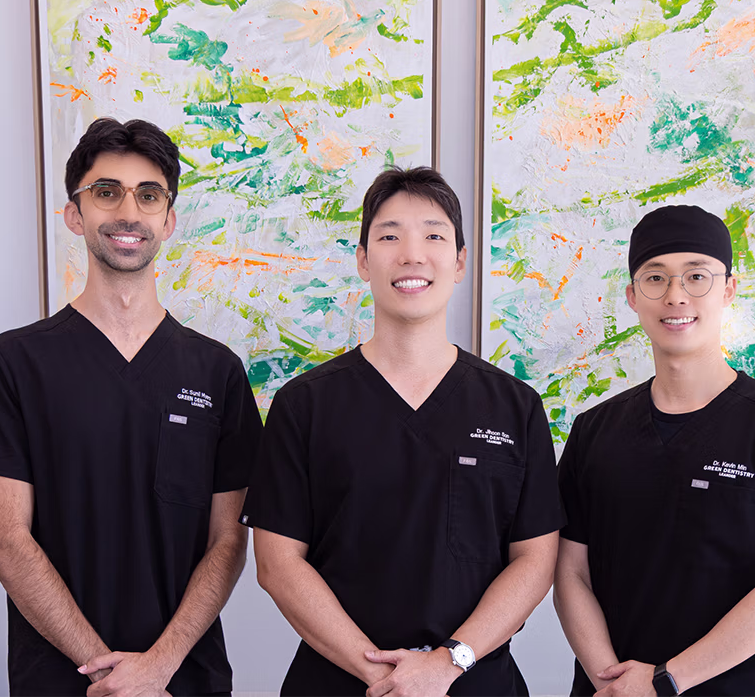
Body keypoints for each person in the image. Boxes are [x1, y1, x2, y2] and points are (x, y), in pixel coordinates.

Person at [0, 118, 259, 697]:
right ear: (75, 213)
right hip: (63, 681)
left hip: (184, 680)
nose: (129, 212)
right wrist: (109, 672)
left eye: (149, 195)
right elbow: (5, 539)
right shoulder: (16, 362)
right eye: (107, 192)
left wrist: (158, 668)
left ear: (168, 220)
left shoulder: (217, 372)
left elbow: (227, 544)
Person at [241, 166, 564, 697]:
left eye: (433, 236)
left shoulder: (515, 407)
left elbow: (535, 560)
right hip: (340, 683)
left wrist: (447, 664)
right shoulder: (304, 404)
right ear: (363, 261)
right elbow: (278, 564)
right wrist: (383, 677)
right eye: (390, 236)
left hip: (474, 681)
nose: (412, 255)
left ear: (460, 262)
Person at [552, 205, 755, 697]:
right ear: (633, 296)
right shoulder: (595, 431)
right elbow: (571, 574)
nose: (675, 295)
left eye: (697, 277)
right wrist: (613, 682)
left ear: (728, 290)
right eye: (655, 278)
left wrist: (664, 681)